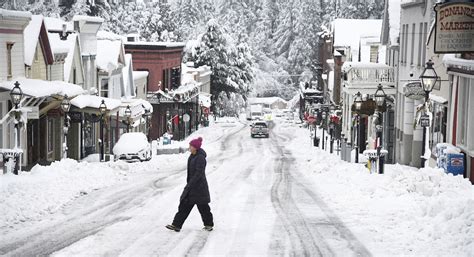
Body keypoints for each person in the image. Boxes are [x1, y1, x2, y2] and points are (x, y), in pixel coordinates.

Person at [166, 137, 214, 232]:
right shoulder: (192, 156)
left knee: (203, 207)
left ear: (195, 147)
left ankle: (208, 224)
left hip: (199, 188)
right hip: (192, 187)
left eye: (191, 146)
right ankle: (176, 225)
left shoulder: (200, 158)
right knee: (184, 206)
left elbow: (199, 173)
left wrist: (190, 184)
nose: (189, 147)